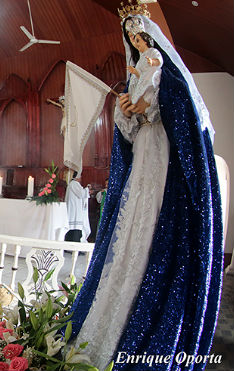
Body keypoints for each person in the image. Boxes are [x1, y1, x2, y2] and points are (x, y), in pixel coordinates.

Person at [69, 13, 222, 370]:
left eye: (139, 37)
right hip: (142, 151)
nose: (136, 43)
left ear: (151, 38)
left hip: (161, 153)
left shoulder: (165, 73)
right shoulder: (133, 77)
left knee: (151, 215)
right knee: (131, 219)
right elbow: (127, 130)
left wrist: (143, 107)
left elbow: (181, 112)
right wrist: (124, 112)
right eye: (130, 39)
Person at [64, 171, 90, 243]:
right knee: (75, 227)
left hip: (74, 209)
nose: (81, 178)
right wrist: (87, 189)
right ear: (77, 177)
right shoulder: (74, 184)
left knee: (74, 227)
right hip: (74, 211)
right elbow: (81, 194)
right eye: (80, 177)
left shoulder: (73, 184)